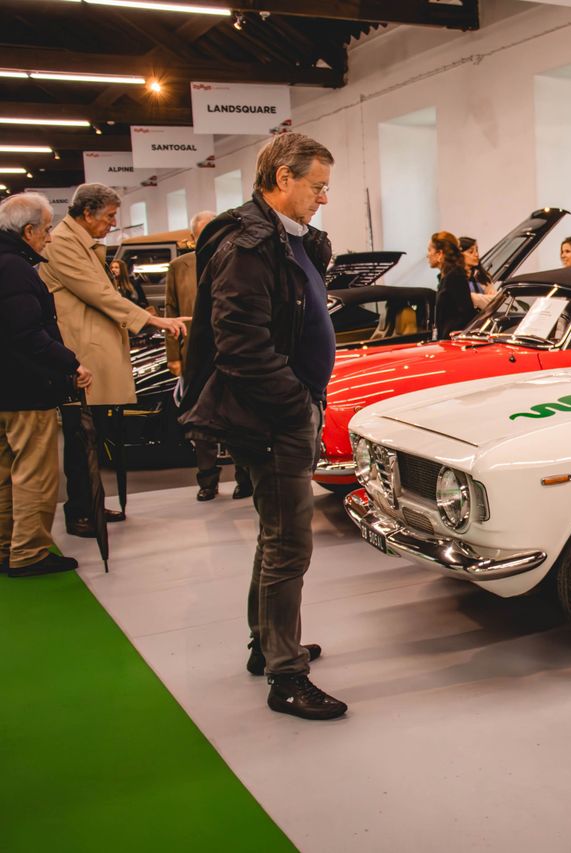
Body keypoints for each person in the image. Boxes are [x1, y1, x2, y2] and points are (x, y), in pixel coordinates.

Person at [178, 132, 343, 720]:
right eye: (316, 186)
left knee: (276, 536)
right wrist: (295, 404)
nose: (323, 197)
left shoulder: (289, 238)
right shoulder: (248, 246)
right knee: (289, 544)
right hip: (272, 417)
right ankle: (286, 677)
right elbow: (240, 346)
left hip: (289, 410)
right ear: (282, 178)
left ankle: (267, 643)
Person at [39, 183, 188, 538]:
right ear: (86, 213)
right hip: (82, 355)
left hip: (92, 351)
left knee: (91, 437)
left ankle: (90, 502)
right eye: (108, 216)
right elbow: (100, 294)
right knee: (82, 438)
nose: (112, 223)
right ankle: (81, 510)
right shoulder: (63, 244)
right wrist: (153, 320)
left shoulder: (81, 243)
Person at [0, 193, 91, 578]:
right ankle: (29, 553)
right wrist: (70, 362)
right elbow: (27, 333)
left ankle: (6, 547)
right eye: (47, 229)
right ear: (28, 231)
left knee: (5, 474)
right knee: (34, 473)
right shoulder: (16, 269)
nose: (50, 238)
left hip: (6, 392)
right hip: (25, 389)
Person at [164, 211, 253, 503]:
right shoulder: (179, 267)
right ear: (192, 238)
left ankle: (244, 478)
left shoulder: (238, 259)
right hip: (196, 354)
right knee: (200, 421)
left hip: (232, 352)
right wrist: (174, 356)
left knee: (238, 418)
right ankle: (207, 480)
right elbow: (171, 309)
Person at [430, 231, 474, 339]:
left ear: (440, 254)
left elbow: (466, 314)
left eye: (430, 250)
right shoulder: (446, 278)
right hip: (446, 341)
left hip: (453, 341)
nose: (428, 255)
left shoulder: (455, 277)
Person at [459, 236, 496, 311]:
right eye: (471, 252)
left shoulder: (481, 275)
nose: (476, 254)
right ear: (459, 255)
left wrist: (471, 297)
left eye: (477, 250)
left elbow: (495, 301)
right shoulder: (454, 277)